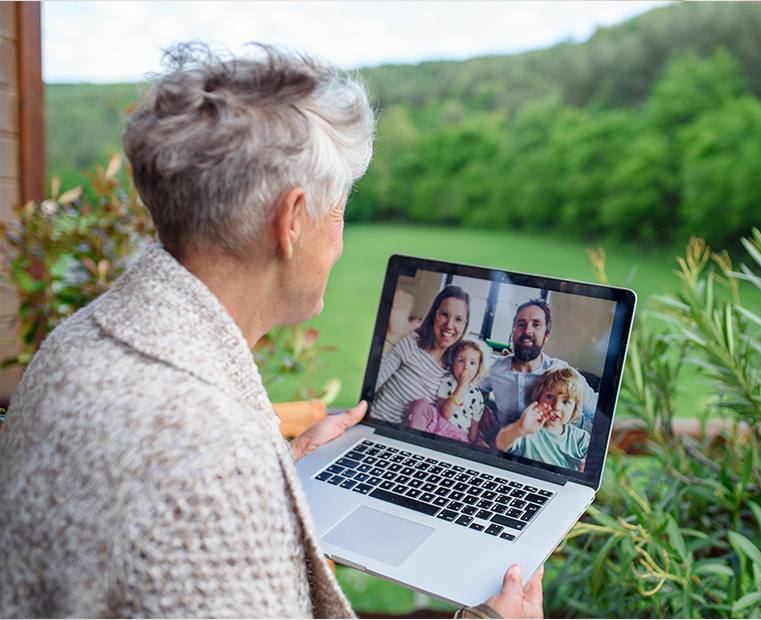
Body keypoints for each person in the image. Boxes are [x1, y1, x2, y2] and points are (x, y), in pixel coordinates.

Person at [0, 43, 542, 619]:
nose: (338, 243)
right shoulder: (212, 460)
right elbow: (195, 483)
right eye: (339, 213)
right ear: (291, 220)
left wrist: (283, 463)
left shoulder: (77, 342)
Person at [481, 299, 597, 430]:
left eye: (536, 324)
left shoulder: (562, 372)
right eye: (521, 324)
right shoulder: (495, 368)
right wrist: (482, 408)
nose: (527, 330)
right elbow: (477, 390)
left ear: (546, 336)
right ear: (513, 332)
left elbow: (598, 413)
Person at [369, 285, 470, 424]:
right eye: (444, 314)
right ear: (434, 315)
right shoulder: (412, 342)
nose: (449, 325)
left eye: (458, 319)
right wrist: (392, 336)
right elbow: (371, 386)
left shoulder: (455, 368)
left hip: (409, 439)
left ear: (465, 326)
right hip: (377, 424)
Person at [495, 366, 591, 471]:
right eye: (550, 397)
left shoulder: (581, 438)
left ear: (574, 409)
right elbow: (500, 443)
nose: (556, 407)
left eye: (566, 402)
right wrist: (520, 428)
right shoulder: (527, 428)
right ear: (539, 398)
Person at [406, 338, 490, 444]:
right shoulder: (447, 381)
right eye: (461, 360)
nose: (466, 367)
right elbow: (445, 414)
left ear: (478, 368)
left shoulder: (477, 396)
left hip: (457, 435)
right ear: (453, 362)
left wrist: (473, 442)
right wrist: (460, 387)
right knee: (421, 404)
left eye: (472, 363)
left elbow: (474, 427)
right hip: (438, 422)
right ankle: (413, 439)